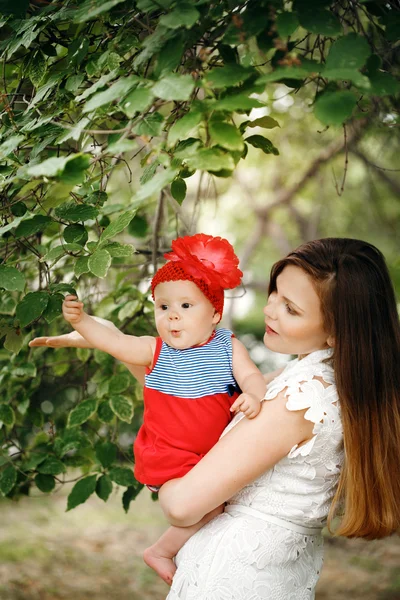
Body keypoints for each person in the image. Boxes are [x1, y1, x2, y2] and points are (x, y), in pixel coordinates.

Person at [30, 237, 400, 599]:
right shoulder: (310, 378)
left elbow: (182, 506)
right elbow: (187, 399)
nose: (270, 310)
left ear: (337, 330)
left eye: (291, 308)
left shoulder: (302, 398)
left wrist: (161, 476)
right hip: (252, 569)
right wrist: (112, 340)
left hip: (235, 575)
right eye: (275, 293)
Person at [31, 233, 267, 586]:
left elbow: (252, 376)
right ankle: (161, 550)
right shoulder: (154, 351)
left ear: (215, 312)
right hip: (170, 456)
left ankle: (200, 561)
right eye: (163, 307)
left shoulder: (226, 347)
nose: (173, 316)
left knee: (223, 506)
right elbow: (114, 341)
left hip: (213, 455)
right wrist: (81, 322)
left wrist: (253, 394)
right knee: (209, 507)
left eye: (186, 306)